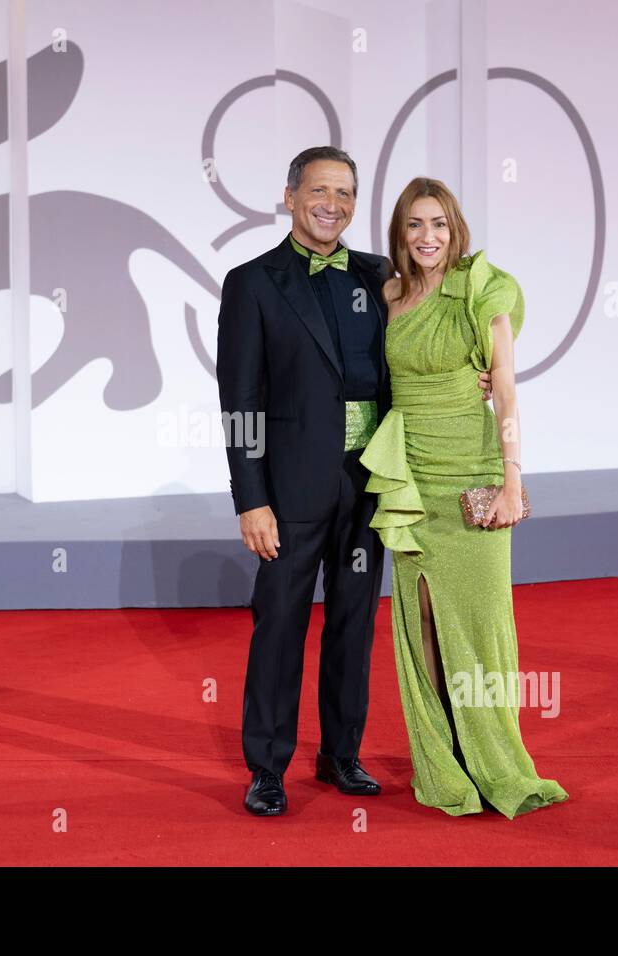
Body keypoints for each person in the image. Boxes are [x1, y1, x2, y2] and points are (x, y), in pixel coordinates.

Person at [215, 149, 492, 815]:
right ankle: (268, 768)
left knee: (352, 622)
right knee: (279, 622)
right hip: (288, 491)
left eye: (344, 191)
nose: (332, 202)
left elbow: (435, 337)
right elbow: (240, 403)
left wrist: (475, 374)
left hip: (372, 481)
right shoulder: (252, 282)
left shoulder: (382, 276)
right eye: (319, 190)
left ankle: (342, 754)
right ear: (289, 197)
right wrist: (250, 497)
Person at [359, 177, 569, 818]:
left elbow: (505, 390)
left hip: (472, 472)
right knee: (419, 619)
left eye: (440, 225)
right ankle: (444, 762)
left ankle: (496, 761)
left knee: (480, 626)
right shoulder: (388, 294)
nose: (429, 238)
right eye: (416, 225)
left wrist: (512, 479)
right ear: (399, 233)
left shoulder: (482, 290)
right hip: (412, 475)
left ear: (457, 231)